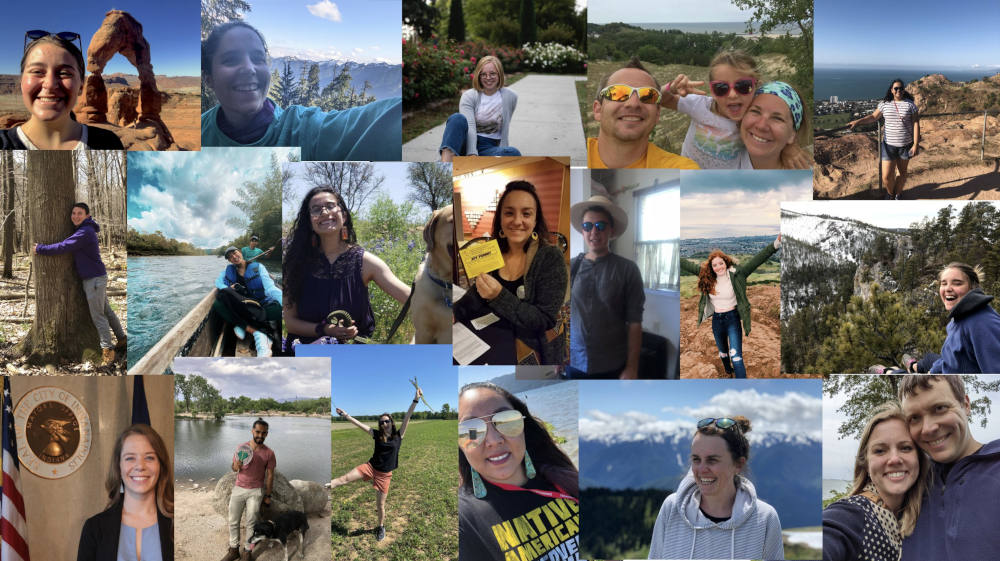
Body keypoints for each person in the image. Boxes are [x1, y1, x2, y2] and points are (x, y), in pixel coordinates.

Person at [201, 22, 401, 161]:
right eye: (231, 59)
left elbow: (372, 124)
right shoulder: (196, 133)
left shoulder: (305, 131)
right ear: (208, 78)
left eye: (258, 58)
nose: (249, 68)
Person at [458, 382, 579, 561]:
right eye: (472, 430)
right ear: (461, 446)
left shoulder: (562, 476)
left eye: (506, 421)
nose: (493, 440)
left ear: (523, 426)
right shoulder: (464, 520)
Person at [453, 181, 568, 364]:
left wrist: (499, 295)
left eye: (526, 213)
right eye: (509, 213)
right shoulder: (492, 251)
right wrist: (456, 310)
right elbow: (476, 297)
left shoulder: (550, 257)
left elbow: (544, 320)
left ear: (535, 220)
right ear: (500, 218)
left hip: (526, 346)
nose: (516, 221)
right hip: (486, 334)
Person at [283, 187, 410, 345]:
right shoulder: (295, 263)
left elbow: (411, 298)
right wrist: (324, 329)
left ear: (343, 215)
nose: (324, 212)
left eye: (330, 206)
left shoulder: (366, 262)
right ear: (309, 222)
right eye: (316, 209)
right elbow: (290, 323)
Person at [648, 416, 783, 560]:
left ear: (738, 464)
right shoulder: (672, 508)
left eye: (712, 460)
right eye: (696, 459)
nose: (702, 469)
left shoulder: (764, 518)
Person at [898, 375, 1000, 560]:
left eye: (940, 408)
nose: (928, 428)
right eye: (914, 418)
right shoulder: (908, 485)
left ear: (966, 404)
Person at [660, 51, 809, 170]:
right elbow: (661, 100)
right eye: (721, 88)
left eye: (743, 86)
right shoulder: (699, 105)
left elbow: (775, 132)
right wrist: (670, 88)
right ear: (712, 90)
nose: (732, 94)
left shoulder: (749, 119)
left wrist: (790, 147)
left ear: (756, 87)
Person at [822, 402, 929, 561]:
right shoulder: (852, 514)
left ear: (919, 458)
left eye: (905, 448)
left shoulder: (919, 519)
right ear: (865, 464)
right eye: (880, 451)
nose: (894, 459)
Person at [33, 202, 125, 366]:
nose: (75, 216)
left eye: (80, 213)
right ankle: (122, 339)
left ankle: (108, 351)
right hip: (96, 277)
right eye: (74, 213)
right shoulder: (83, 230)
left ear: (87, 216)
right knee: (106, 311)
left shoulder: (85, 232)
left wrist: (41, 248)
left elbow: (63, 246)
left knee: (98, 315)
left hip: (94, 280)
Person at [330, 384, 423, 541]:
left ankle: (380, 527)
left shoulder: (398, 435)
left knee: (380, 506)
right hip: (370, 467)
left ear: (391, 422)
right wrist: (346, 415)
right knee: (343, 479)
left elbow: (407, 416)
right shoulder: (377, 434)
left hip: (384, 475)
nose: (384, 424)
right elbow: (359, 425)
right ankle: (323, 486)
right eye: (381, 422)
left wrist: (415, 400)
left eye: (386, 421)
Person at [2, 31, 123, 150]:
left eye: (64, 73)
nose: (50, 84)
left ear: (81, 86)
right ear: (22, 82)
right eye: (37, 72)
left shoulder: (109, 144)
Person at [679, 237, 780, 378]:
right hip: (717, 320)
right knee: (723, 352)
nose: (718, 267)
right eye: (715, 265)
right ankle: (728, 370)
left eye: (721, 263)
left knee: (736, 356)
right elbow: (686, 264)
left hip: (732, 319)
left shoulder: (738, 275)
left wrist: (775, 244)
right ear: (711, 267)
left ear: (726, 263)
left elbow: (758, 259)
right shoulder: (708, 277)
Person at [567, 194, 644, 379]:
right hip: (573, 362)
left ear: (611, 230)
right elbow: (562, 315)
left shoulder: (628, 269)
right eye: (587, 226)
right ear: (582, 231)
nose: (594, 232)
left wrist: (632, 367)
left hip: (612, 365)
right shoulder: (570, 267)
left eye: (600, 226)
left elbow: (635, 322)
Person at [77, 424, 174, 561]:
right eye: (130, 458)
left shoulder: (176, 523)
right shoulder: (94, 528)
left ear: (161, 466)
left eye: (149, 457)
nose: (140, 466)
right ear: (118, 466)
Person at [587, 57, 700, 169]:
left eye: (648, 96)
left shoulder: (682, 169)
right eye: (618, 93)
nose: (633, 103)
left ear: (657, 114)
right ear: (598, 110)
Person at [904, 262, 1000, 373]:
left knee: (906, 374)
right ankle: (913, 366)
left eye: (957, 283)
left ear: (972, 288)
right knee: (928, 359)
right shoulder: (959, 317)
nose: (948, 289)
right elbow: (953, 358)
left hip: (948, 376)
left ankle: (891, 371)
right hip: (946, 365)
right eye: (943, 283)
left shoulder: (983, 323)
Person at [439, 56, 521, 162]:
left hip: (488, 148)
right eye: (483, 74)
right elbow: (471, 127)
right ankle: (446, 161)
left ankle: (463, 161)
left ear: (499, 75)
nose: (488, 78)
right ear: (478, 75)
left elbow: (505, 128)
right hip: (465, 142)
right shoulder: (469, 96)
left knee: (513, 153)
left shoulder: (511, 96)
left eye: (492, 73)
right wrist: (472, 153)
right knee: (457, 118)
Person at [848, 79, 919, 200]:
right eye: (896, 88)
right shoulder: (885, 104)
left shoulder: (910, 104)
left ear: (904, 90)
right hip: (888, 146)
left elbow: (916, 124)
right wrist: (858, 122)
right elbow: (873, 117)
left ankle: (897, 194)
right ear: (891, 90)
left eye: (901, 88)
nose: (898, 90)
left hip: (905, 145)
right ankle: (891, 193)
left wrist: (915, 144)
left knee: (902, 173)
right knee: (886, 176)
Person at [221, 418, 275, 561]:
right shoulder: (242, 448)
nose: (260, 435)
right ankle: (233, 550)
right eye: (257, 432)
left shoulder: (269, 453)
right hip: (239, 488)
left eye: (263, 433)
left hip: (256, 491)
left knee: (251, 523)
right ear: (252, 431)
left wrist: (268, 495)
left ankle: (247, 551)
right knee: (233, 520)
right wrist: (236, 465)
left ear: (267, 434)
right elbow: (233, 468)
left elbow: (270, 476)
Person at [214, 246, 282, 357]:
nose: (234, 257)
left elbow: (270, 288)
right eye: (231, 257)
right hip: (245, 307)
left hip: (263, 305)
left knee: (280, 309)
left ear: (240, 252)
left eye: (235, 253)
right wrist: (229, 288)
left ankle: (242, 324)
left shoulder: (258, 267)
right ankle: (255, 331)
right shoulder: (228, 271)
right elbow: (218, 283)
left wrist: (283, 301)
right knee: (218, 304)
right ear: (229, 260)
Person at [739, 82, 810, 169]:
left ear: (792, 134)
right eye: (755, 111)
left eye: (777, 118)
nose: (761, 126)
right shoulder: (724, 156)